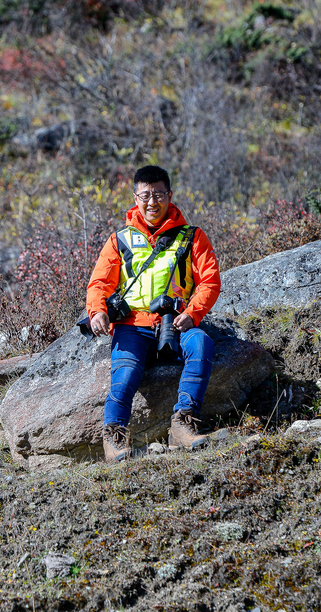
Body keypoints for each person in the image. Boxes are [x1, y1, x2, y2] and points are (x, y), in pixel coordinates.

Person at [85, 165, 221, 462]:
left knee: (201, 344)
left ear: (169, 196)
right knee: (126, 374)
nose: (152, 202)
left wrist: (193, 313)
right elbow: (99, 283)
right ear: (135, 197)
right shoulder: (119, 240)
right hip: (132, 325)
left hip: (177, 322)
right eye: (145, 195)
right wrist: (97, 312)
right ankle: (115, 439)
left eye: (158, 194)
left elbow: (209, 281)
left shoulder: (192, 236)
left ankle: (184, 424)